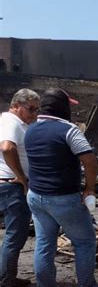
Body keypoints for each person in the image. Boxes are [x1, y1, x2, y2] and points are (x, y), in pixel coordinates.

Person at [25, 88, 98, 287]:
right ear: (62, 108)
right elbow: (90, 161)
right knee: (84, 242)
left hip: (36, 196)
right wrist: (90, 189)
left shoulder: (30, 130)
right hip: (63, 198)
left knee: (44, 244)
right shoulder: (69, 130)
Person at [0, 89, 40, 287]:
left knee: (14, 234)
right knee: (15, 235)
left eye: (37, 110)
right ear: (16, 105)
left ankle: (7, 276)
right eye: (30, 109)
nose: (34, 114)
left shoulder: (17, 122)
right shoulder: (11, 121)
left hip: (9, 185)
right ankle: (6, 280)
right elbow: (7, 147)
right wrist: (21, 176)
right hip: (11, 186)